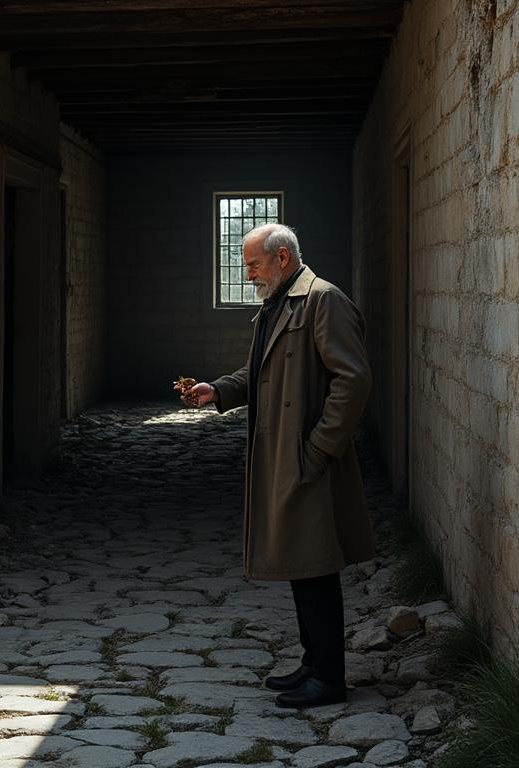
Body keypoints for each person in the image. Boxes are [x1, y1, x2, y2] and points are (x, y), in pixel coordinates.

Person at [181, 222, 374, 708]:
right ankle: (313, 663)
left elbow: (353, 380)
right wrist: (220, 390)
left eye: (253, 264)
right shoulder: (279, 303)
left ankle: (329, 677)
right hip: (285, 456)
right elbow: (264, 370)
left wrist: (318, 449)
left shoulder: (322, 301)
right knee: (298, 561)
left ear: (282, 257)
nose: (248, 275)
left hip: (307, 459)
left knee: (315, 564)